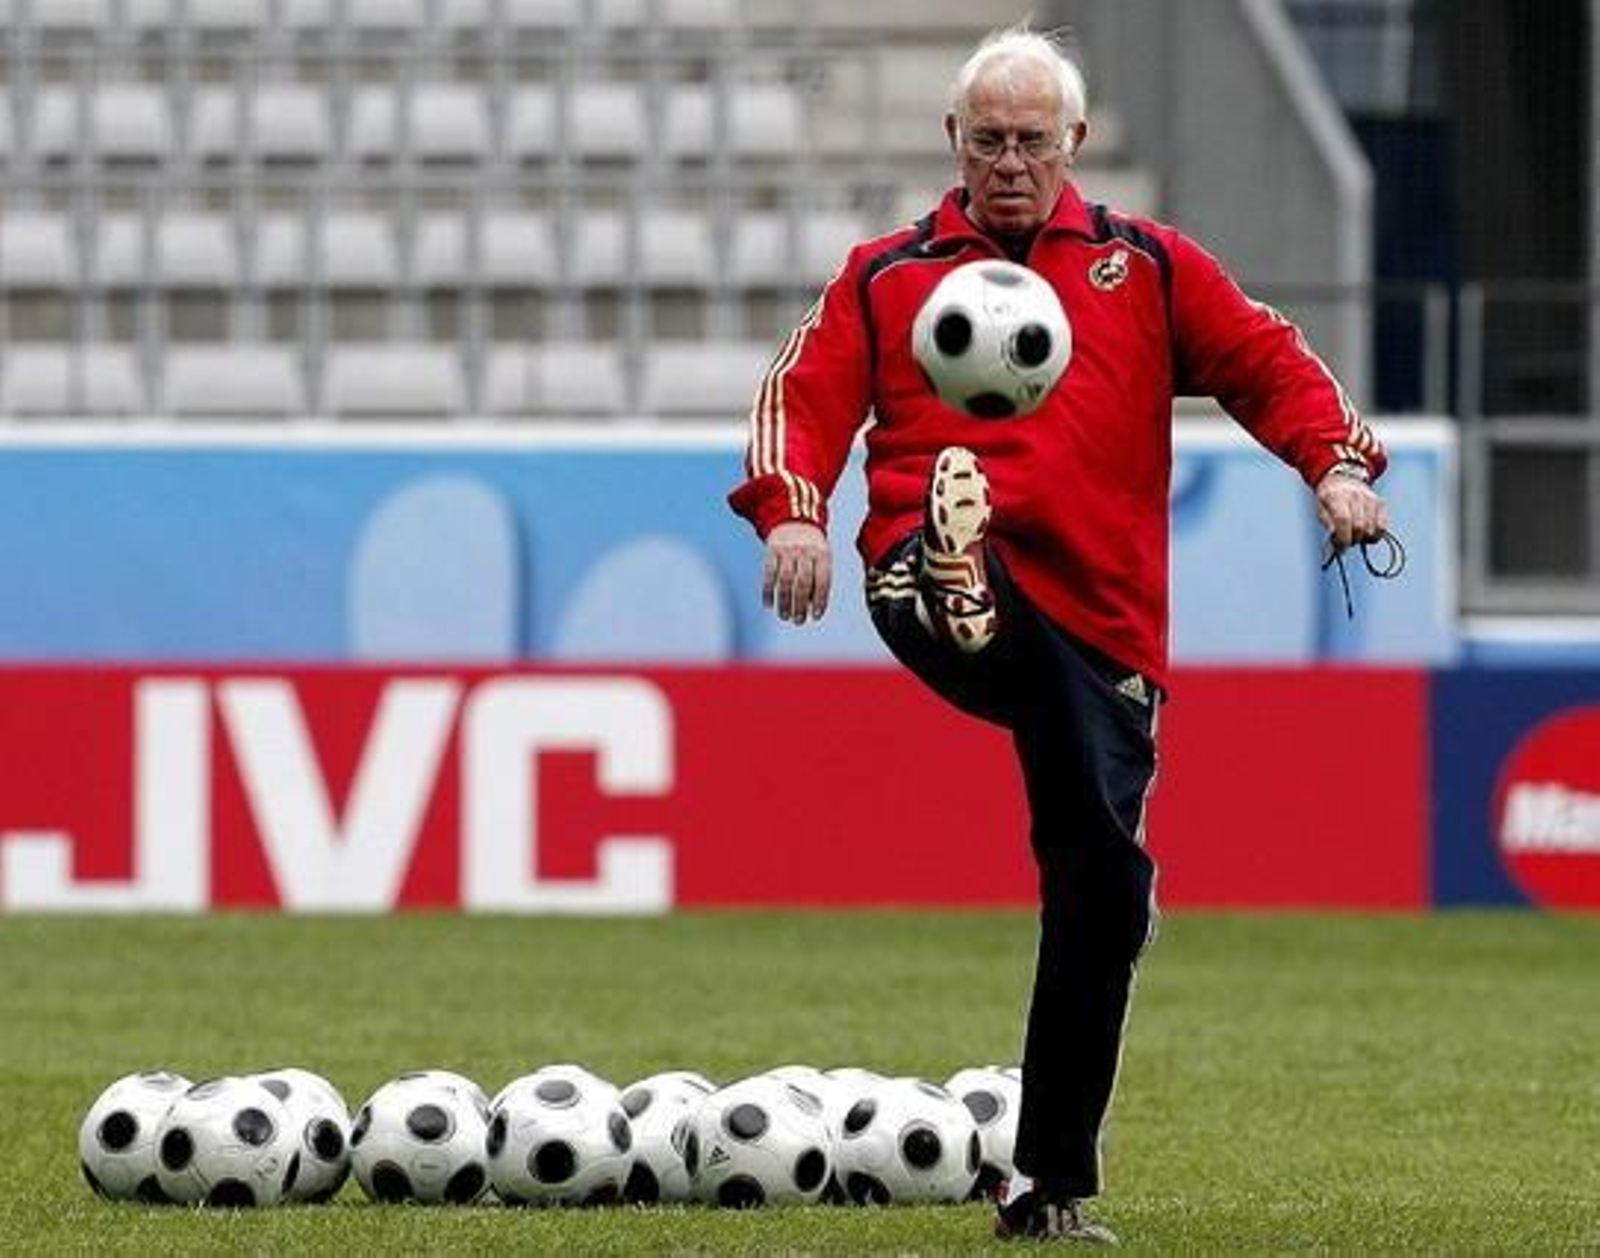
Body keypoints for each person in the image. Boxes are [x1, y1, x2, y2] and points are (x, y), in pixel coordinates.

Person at [729, 24, 1391, 1246]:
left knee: (1103, 893)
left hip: (1103, 626)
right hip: (916, 569)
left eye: (1031, 140)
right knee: (960, 594)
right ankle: (957, 572)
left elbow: (1268, 362)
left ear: (1074, 141)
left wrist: (1338, 464)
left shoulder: (1147, 266)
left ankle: (1044, 1186)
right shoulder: (887, 275)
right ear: (952, 140)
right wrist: (794, 514)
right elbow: (797, 396)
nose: (1009, 163)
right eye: (987, 140)